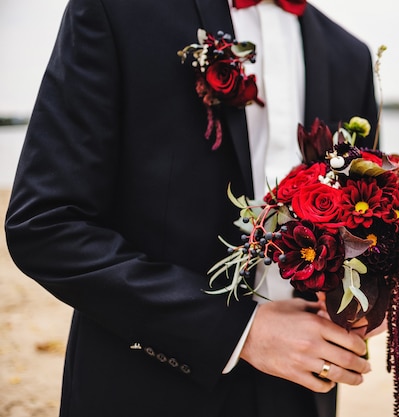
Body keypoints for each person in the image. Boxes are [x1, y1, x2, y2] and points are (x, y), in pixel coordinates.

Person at [4, 0, 379, 416]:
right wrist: (239, 332)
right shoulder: (116, 11)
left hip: (302, 390)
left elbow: (362, 224)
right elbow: (45, 223)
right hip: (146, 388)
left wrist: (373, 293)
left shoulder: (350, 55)